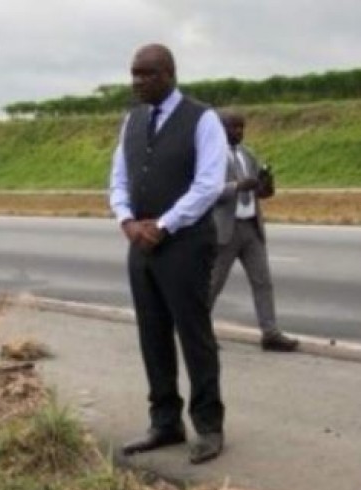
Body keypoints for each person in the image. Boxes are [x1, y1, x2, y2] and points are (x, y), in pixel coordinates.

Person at [109, 43, 227, 464]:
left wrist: (164, 224)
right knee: (152, 333)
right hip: (141, 244)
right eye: (134, 73)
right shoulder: (133, 120)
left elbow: (209, 184)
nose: (137, 81)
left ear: (169, 74)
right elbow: (118, 179)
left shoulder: (202, 119)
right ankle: (165, 421)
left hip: (185, 243)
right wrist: (127, 220)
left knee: (193, 333)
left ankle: (209, 425)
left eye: (146, 74)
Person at [210, 111, 298, 351]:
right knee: (213, 283)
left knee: (263, 282)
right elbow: (207, 192)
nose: (239, 132)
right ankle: (198, 329)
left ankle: (270, 333)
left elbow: (261, 192)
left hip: (251, 227)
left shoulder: (248, 154)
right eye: (233, 127)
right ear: (219, 129)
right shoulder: (211, 156)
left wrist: (266, 185)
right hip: (224, 230)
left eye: (241, 127)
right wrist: (238, 186)